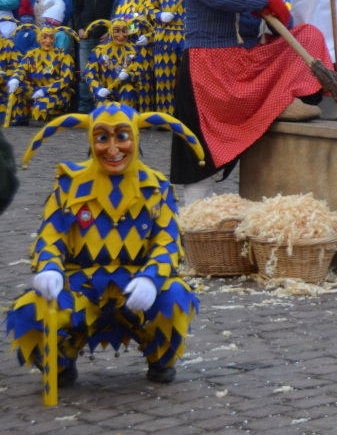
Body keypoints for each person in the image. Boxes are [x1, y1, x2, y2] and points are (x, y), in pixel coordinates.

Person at [6, 102, 205, 386]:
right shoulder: (69, 184)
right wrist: (49, 268)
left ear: (135, 137)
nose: (113, 150)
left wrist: (151, 279)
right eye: (102, 138)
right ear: (91, 140)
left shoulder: (156, 187)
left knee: (175, 296)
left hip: (135, 286)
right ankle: (60, 361)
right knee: (28, 310)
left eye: (122, 136)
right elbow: (50, 236)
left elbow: (168, 241)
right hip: (81, 286)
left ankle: (160, 357)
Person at [170, 0, 333, 199]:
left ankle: (283, 100)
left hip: (252, 59)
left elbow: (281, 25)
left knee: (309, 34)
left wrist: (277, 9)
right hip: (212, 67)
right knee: (199, 156)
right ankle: (194, 217)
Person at [71, 0, 124, 113]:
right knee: (86, 73)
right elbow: (77, 9)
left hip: (107, 37)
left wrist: (111, 30)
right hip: (86, 35)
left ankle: (105, 105)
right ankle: (85, 106)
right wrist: (79, 28)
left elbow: (120, 10)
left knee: (107, 71)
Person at [5, 25, 75, 123]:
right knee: (18, 86)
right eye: (44, 37)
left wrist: (45, 90)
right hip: (35, 89)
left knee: (39, 109)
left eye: (51, 38)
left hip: (58, 92)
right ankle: (20, 117)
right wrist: (15, 79)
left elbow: (66, 80)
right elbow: (21, 68)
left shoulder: (63, 55)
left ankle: (57, 115)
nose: (48, 41)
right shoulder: (32, 54)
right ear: (39, 38)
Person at [150, 0, 189, 114]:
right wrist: (159, 15)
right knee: (164, 77)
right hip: (166, 34)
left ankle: (188, 116)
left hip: (189, 35)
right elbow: (148, 7)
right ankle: (165, 116)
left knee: (190, 78)